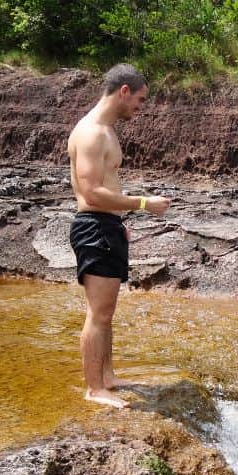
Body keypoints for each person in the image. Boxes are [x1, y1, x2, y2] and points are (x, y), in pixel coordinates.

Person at [67, 63, 170, 408]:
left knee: (106, 311)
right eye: (140, 99)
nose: (141, 107)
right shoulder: (93, 132)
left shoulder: (105, 130)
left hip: (105, 227)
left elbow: (101, 192)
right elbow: (92, 192)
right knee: (98, 313)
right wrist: (143, 203)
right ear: (123, 91)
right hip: (94, 227)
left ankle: (107, 376)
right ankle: (94, 388)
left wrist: (117, 220)